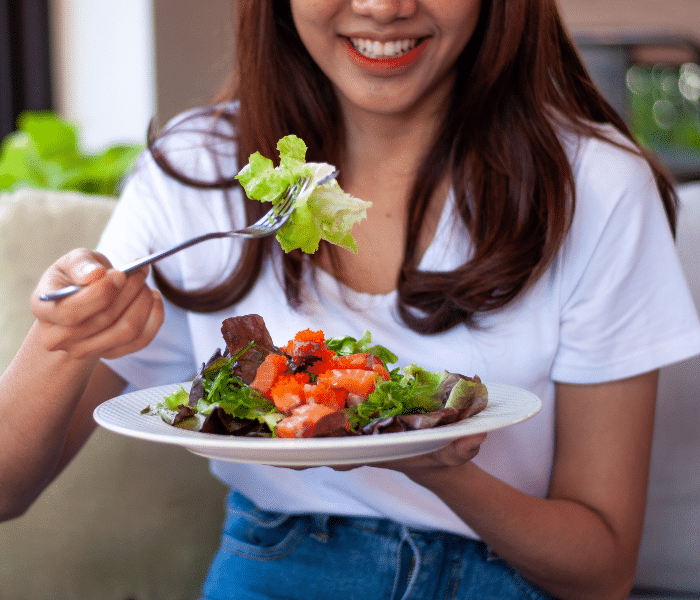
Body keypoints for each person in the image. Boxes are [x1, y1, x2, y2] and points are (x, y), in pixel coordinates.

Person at [2, 1, 700, 598]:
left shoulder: (595, 187)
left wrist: (437, 469)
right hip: (277, 568)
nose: (383, 5)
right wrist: (60, 337)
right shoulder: (196, 174)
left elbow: (601, 570)